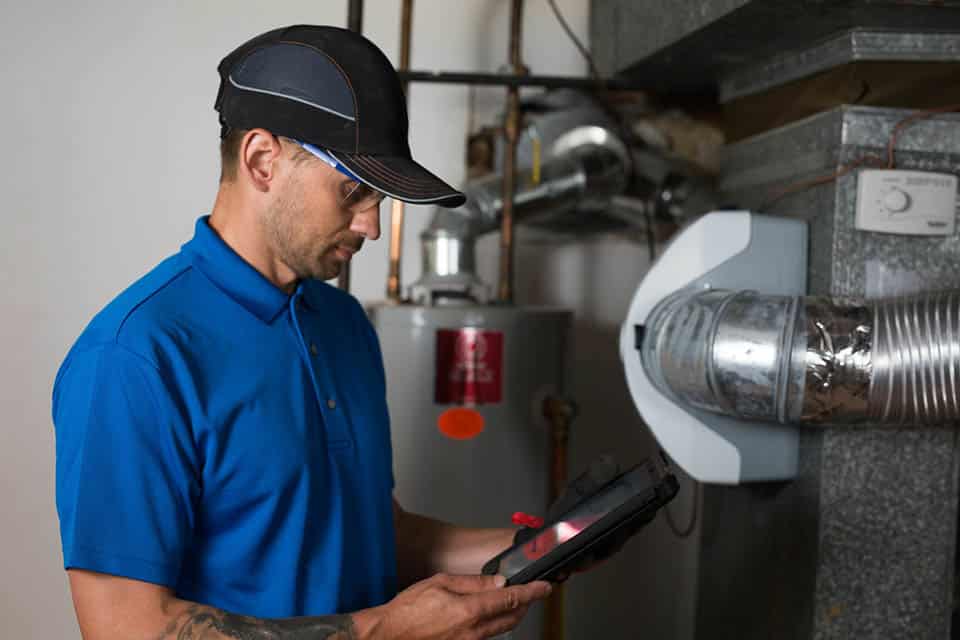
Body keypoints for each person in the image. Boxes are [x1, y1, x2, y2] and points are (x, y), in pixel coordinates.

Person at [52, 25, 551, 640]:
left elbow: (368, 532)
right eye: (353, 192)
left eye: (380, 198)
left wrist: (538, 547)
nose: (371, 225)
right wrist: (385, 631)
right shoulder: (136, 357)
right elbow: (125, 629)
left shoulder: (344, 325)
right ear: (262, 160)